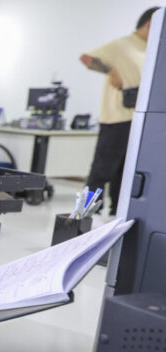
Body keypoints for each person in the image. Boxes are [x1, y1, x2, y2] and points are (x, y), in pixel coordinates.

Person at [80, 7, 158, 216]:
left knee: (125, 171)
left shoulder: (151, 47)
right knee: (102, 170)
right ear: (151, 24)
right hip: (117, 118)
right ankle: (85, 211)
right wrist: (111, 70)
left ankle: (118, 212)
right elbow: (86, 58)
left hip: (139, 119)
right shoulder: (122, 45)